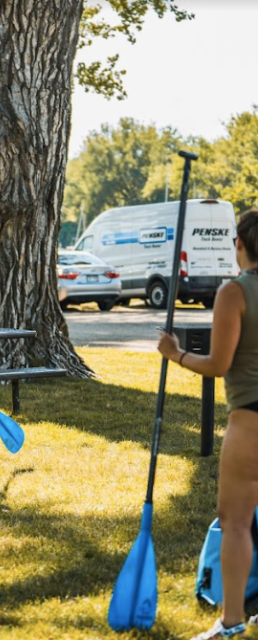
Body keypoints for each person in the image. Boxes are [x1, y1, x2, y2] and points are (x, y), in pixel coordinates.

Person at [158, 210, 258, 640]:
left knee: (235, 521)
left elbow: (218, 364)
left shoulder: (234, 291)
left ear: (239, 245)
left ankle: (232, 621)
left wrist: (174, 353)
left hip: (251, 416)